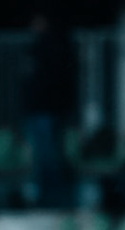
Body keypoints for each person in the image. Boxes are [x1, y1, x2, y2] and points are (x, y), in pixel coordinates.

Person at [22, 12, 78, 207]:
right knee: (44, 157)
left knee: (48, 157)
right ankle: (50, 196)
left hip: (45, 110)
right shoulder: (49, 46)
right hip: (44, 109)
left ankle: (53, 197)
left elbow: (51, 82)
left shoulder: (51, 48)